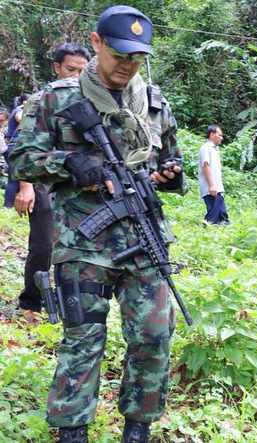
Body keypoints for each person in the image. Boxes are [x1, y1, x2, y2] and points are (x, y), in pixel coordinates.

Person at [10, 6, 186, 442]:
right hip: (82, 242)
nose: (127, 65)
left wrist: (170, 175)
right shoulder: (57, 98)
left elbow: (168, 161)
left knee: (153, 337)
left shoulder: (154, 104)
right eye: (119, 54)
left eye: (136, 57)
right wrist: (68, 162)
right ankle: (72, 431)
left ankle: (138, 427)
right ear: (96, 43)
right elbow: (18, 159)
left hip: (144, 241)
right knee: (82, 342)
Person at [15, 43, 90, 315]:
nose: (75, 76)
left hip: (77, 185)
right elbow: (23, 150)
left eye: (82, 71)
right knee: (43, 244)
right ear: (57, 67)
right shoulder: (42, 99)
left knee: (77, 247)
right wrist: (26, 188)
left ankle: (70, 302)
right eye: (70, 69)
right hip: (43, 180)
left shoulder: (91, 99)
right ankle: (31, 302)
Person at [198, 124, 229, 225]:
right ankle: (205, 226)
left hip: (217, 188)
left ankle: (217, 231)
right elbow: (205, 166)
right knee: (214, 215)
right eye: (219, 135)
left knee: (222, 215)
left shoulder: (214, 149)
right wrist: (211, 185)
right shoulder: (206, 148)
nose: (221, 138)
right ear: (212, 134)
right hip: (211, 188)